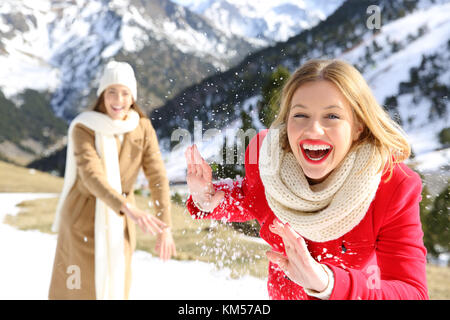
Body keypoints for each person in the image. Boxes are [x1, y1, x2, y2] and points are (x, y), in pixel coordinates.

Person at [184, 59, 428, 300]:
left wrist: (328, 284)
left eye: (332, 116)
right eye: (300, 115)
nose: (313, 130)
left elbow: (413, 292)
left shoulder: (390, 186)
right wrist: (208, 198)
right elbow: (251, 198)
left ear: (358, 127)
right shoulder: (269, 162)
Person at [49, 61, 176, 300]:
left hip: (121, 221)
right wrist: (128, 208)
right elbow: (91, 176)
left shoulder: (142, 128)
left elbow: (157, 176)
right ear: (102, 95)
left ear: (133, 96)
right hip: (83, 218)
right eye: (112, 92)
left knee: (116, 285)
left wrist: (164, 227)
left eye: (125, 93)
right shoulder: (84, 127)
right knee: (78, 288)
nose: (118, 100)